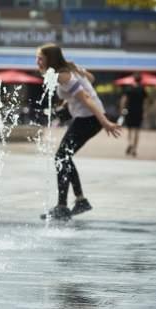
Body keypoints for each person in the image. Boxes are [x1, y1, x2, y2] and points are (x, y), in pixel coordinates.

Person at [36, 43, 121, 220]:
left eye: (40, 58)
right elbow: (91, 78)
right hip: (87, 118)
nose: (37, 61)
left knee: (61, 157)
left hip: (90, 119)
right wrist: (68, 103)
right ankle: (79, 201)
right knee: (64, 156)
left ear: (50, 59)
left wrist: (105, 122)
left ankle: (63, 206)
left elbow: (87, 98)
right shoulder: (69, 68)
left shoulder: (63, 75)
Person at [119, 73, 148, 157]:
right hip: (139, 111)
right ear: (141, 80)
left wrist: (122, 109)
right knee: (137, 130)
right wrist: (145, 112)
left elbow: (123, 100)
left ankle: (130, 143)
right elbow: (145, 102)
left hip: (130, 111)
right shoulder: (142, 90)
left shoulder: (129, 89)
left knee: (130, 129)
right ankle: (134, 149)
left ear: (134, 79)